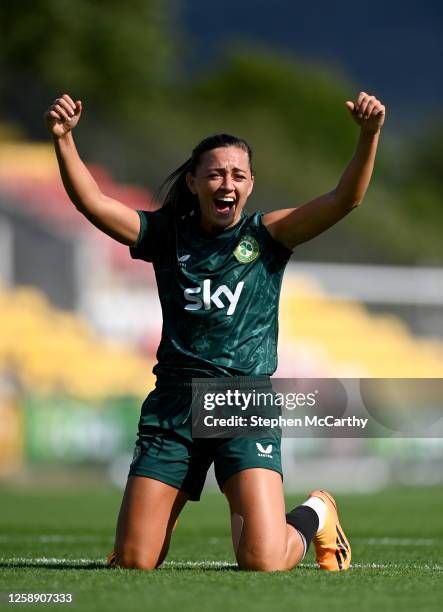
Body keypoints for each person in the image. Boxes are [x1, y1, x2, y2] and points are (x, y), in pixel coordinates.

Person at [44, 91, 385, 572]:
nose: (228, 182)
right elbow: (92, 203)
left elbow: (344, 199)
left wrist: (369, 135)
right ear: (194, 181)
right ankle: (155, 519)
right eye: (216, 173)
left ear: (249, 187)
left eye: (238, 175)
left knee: (263, 561)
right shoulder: (166, 235)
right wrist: (64, 140)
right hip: (174, 404)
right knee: (135, 562)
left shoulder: (268, 235)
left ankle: (317, 512)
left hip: (242, 402)